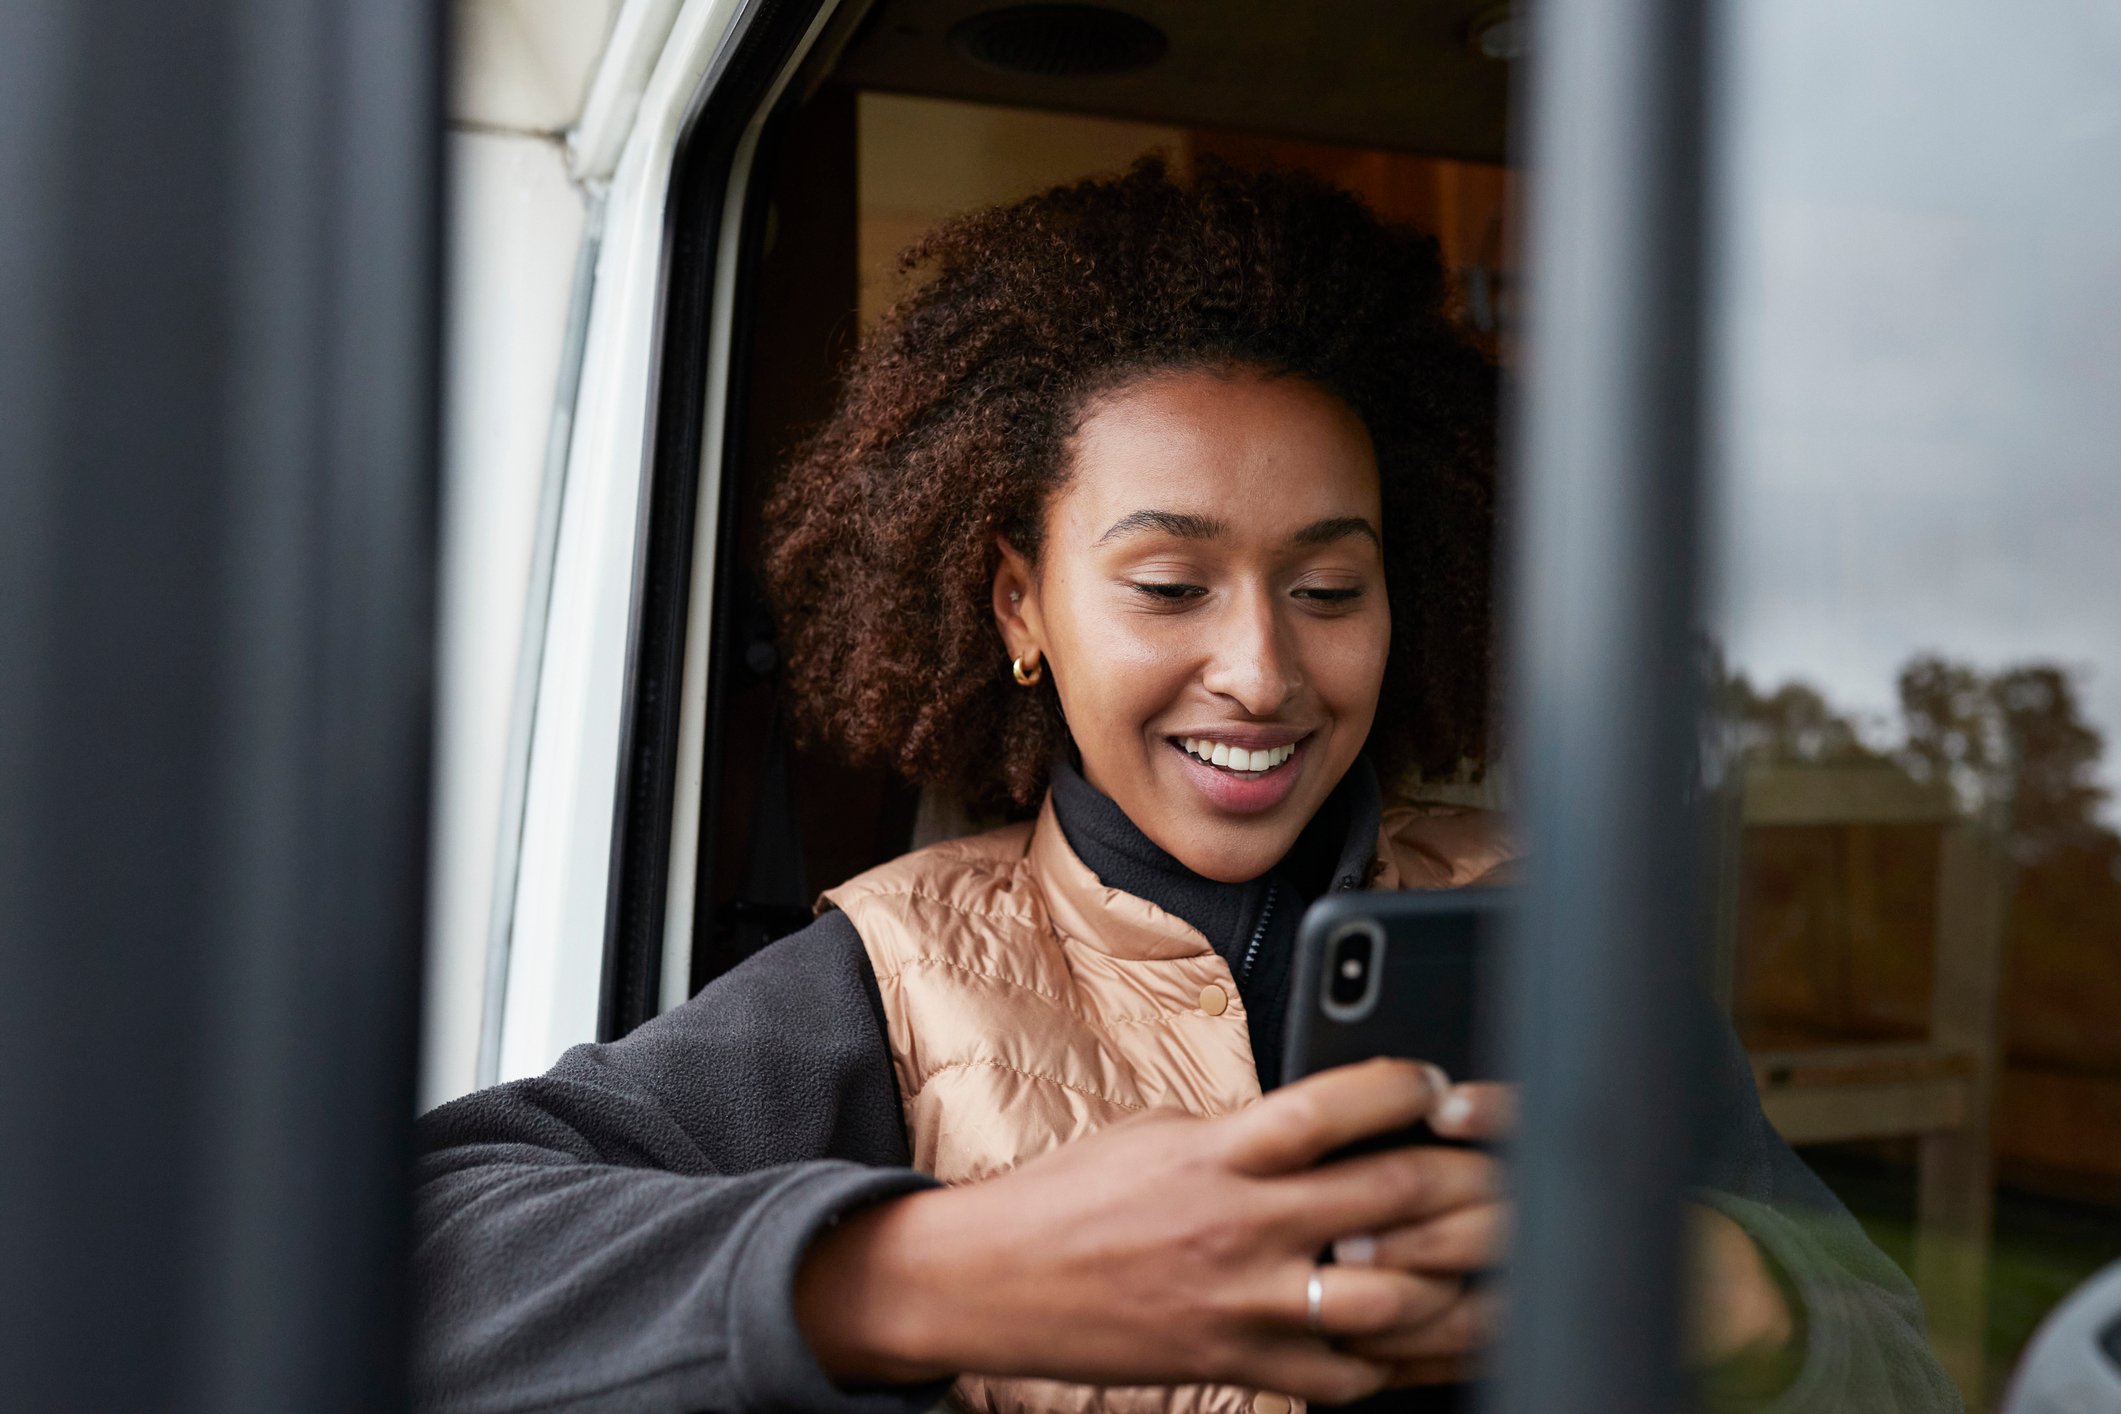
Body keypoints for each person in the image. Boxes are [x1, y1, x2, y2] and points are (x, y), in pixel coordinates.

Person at [412, 159, 1960, 1414]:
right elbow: (400, 1255)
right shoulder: (882, 984)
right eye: (1166, 583)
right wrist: (932, 1272)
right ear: (1019, 605)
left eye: (1328, 588)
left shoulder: (1560, 934)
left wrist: (1722, 1292)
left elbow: (1901, 1356)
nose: (1261, 670)